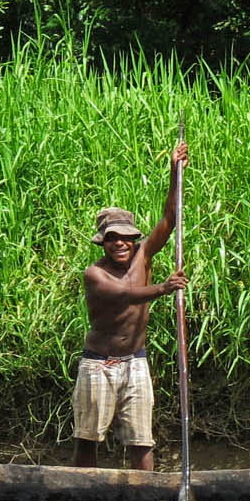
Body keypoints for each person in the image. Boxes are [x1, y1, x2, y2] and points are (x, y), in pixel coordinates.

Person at [74, 143, 190, 469]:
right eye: (113, 238)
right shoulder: (94, 274)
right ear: (103, 242)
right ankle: (82, 496)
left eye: (126, 237)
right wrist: (164, 287)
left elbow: (170, 217)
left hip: (135, 362)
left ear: (133, 238)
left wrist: (174, 172)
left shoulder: (143, 255)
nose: (120, 243)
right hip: (99, 363)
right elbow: (124, 295)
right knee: (88, 439)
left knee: (141, 440)